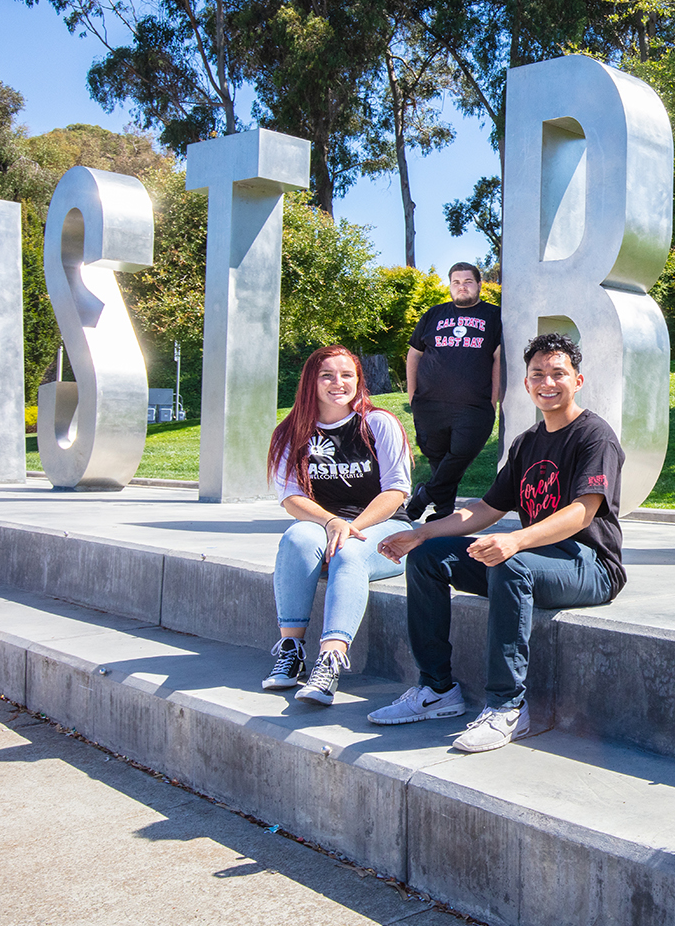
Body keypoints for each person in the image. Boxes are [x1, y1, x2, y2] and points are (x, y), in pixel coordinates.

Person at [371, 332, 625, 752]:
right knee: (428, 558)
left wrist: (516, 541)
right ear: (526, 384)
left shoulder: (594, 435)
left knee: (509, 563)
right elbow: (485, 509)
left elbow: (584, 510)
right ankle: (437, 689)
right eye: (537, 373)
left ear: (577, 380)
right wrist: (421, 533)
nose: (547, 381)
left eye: (558, 373)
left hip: (590, 565)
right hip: (535, 559)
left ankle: (507, 706)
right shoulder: (526, 443)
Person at [262, 345, 414, 704]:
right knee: (297, 537)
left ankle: (330, 660)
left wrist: (350, 527)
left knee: (349, 552)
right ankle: (291, 649)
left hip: (385, 527)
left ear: (358, 380)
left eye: (347, 375)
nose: (338, 382)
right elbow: (292, 498)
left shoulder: (378, 423)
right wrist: (331, 522)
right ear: (310, 382)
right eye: (327, 375)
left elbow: (396, 492)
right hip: (326, 525)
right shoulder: (292, 431)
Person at [404, 262, 502, 522]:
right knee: (438, 457)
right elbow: (414, 354)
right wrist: (413, 396)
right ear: (449, 286)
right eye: (456, 282)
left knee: (461, 454)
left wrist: (492, 401)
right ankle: (444, 512)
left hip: (473, 406)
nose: (462, 286)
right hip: (429, 403)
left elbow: (497, 358)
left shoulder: (494, 316)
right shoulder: (434, 314)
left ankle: (423, 497)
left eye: (468, 281)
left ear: (479, 285)